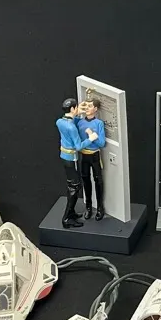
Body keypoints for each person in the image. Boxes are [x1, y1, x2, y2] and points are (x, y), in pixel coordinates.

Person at [76, 98, 107, 220]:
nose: (87, 108)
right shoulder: (80, 122)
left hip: (94, 155)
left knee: (98, 180)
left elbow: (102, 143)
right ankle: (88, 207)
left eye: (90, 106)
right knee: (85, 180)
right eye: (86, 106)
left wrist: (91, 135)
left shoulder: (98, 123)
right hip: (84, 155)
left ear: (95, 109)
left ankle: (100, 207)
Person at [57, 98, 86, 229]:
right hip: (72, 158)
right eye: (76, 107)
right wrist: (91, 139)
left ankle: (71, 212)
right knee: (75, 187)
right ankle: (67, 218)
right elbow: (79, 146)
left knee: (72, 185)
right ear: (73, 108)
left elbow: (71, 120)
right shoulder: (71, 127)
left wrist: (78, 114)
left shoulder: (60, 121)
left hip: (64, 156)